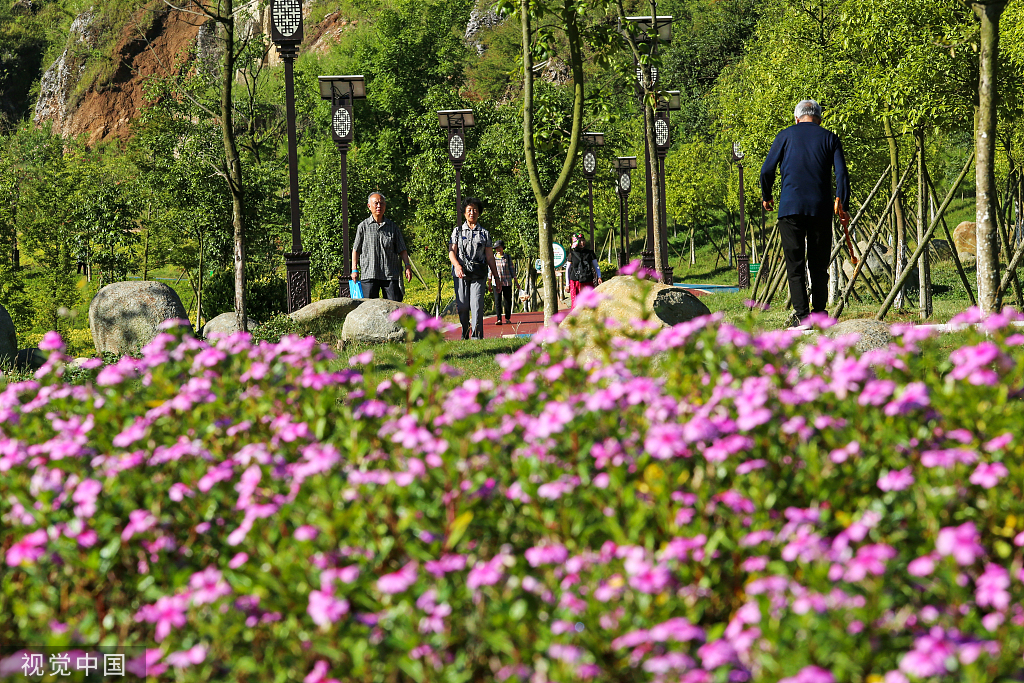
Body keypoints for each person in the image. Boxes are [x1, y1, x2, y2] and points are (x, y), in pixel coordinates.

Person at [760, 99, 851, 327]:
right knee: (819, 264)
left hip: (790, 209)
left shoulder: (785, 136)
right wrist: (843, 205)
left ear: (796, 118)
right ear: (819, 118)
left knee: (795, 264)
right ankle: (819, 314)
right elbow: (842, 175)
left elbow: (767, 170)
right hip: (820, 209)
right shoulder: (830, 138)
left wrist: (767, 195)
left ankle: (802, 317)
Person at [450, 198, 501, 340]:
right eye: (469, 210)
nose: (472, 213)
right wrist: (457, 266)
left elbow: (490, 257)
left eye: (475, 210)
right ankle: (465, 332)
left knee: (477, 306)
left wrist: (496, 277)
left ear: (479, 213)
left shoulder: (484, 233)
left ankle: (476, 337)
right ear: (464, 213)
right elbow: (451, 252)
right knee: (463, 306)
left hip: (478, 274)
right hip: (461, 273)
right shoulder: (457, 231)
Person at [351, 192, 413, 301]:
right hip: (369, 273)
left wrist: (407, 266)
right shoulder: (363, 227)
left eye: (382, 203)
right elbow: (356, 250)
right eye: (376, 203)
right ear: (369, 206)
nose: (379, 206)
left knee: (394, 307)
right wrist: (354, 269)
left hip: (390, 274)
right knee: (369, 308)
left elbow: (402, 249)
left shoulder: (393, 227)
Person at [565, 232, 602, 309]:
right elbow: (567, 270)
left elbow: (596, 266)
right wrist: (567, 284)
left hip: (587, 280)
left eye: (583, 240)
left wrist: (599, 277)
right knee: (576, 304)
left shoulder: (590, 253)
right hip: (575, 282)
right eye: (580, 241)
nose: (583, 242)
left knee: (590, 303)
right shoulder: (572, 254)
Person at [489, 239, 516, 325]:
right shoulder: (492, 258)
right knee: (498, 301)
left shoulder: (507, 257)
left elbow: (512, 269)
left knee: (507, 300)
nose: (498, 249)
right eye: (496, 248)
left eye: (499, 247)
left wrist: (516, 281)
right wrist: (489, 284)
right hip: (496, 283)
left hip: (507, 282)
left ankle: (507, 318)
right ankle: (499, 319)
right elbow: (490, 271)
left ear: (503, 248)